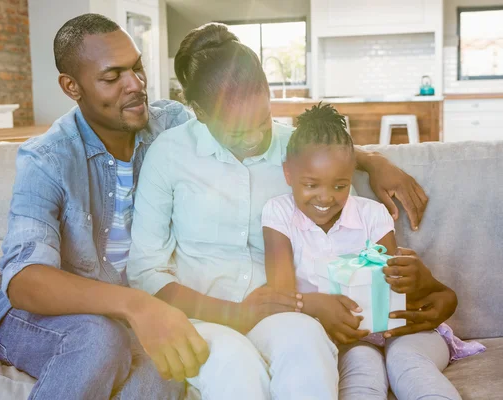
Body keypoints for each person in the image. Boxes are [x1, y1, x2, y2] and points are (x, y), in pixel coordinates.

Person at [127, 23, 454, 400]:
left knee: (305, 345)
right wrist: (234, 315)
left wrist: (373, 160)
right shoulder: (169, 154)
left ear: (268, 93)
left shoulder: (290, 148)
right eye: (236, 132)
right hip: (205, 318)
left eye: (261, 121)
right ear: (198, 112)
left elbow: (330, 157)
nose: (253, 139)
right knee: (235, 367)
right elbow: (146, 270)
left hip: (281, 314)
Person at [0, 14, 209, 399]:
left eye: (136, 67)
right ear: (72, 86)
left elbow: (245, 135)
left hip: (121, 315)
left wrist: (344, 152)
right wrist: (137, 306)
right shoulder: (47, 158)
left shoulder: (171, 125)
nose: (135, 85)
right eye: (112, 76)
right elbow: (24, 280)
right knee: (99, 339)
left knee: (163, 369)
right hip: (40, 318)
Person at [262, 103, 483, 399]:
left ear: (352, 174)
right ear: (288, 173)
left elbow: (393, 290)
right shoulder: (279, 213)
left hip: (401, 330)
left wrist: (413, 278)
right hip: (349, 339)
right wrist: (318, 308)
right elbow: (281, 294)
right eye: (311, 184)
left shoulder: (372, 215)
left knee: (407, 363)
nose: (325, 198)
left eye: (340, 185)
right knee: (361, 369)